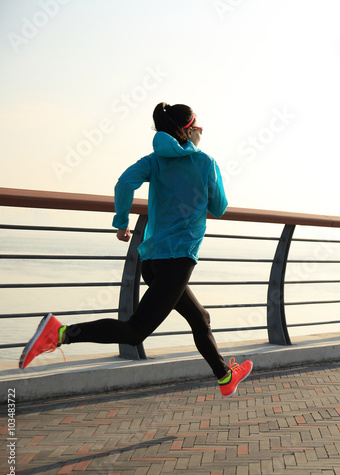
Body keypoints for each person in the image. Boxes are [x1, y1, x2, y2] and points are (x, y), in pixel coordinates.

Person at [19, 102, 253, 398]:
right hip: (177, 262)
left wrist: (121, 222)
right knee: (134, 332)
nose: (202, 133)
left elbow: (124, 183)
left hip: (152, 260)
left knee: (200, 318)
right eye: (199, 129)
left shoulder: (154, 160)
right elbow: (218, 208)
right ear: (189, 130)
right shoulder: (206, 162)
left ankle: (224, 378)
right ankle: (60, 333)